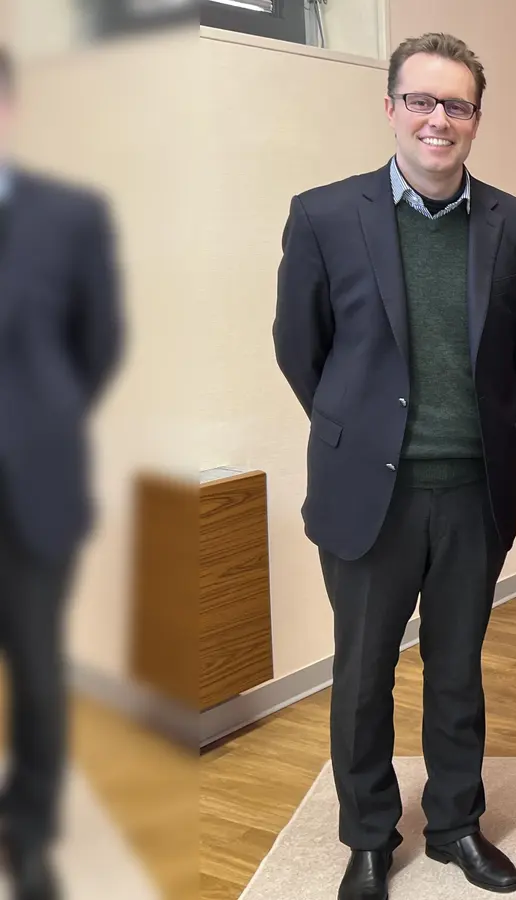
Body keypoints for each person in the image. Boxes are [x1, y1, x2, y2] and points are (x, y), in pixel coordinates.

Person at [272, 32, 516, 900]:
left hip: (472, 488)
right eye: (422, 101)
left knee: (458, 667)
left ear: (475, 119)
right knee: (362, 674)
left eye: (456, 105)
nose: (439, 119)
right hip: (368, 495)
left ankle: (456, 827)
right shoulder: (323, 214)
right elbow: (299, 349)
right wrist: (361, 432)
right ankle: (367, 835)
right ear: (390, 107)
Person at [0, 44, 123, 900]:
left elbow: (98, 345)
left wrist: (35, 421)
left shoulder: (70, 216)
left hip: (31, 489)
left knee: (38, 672)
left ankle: (29, 833)